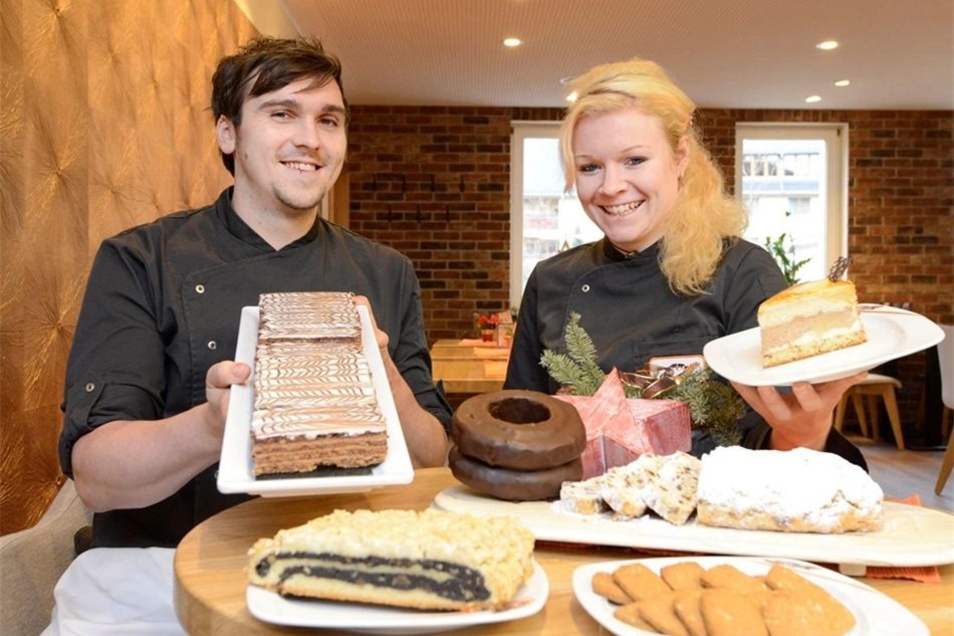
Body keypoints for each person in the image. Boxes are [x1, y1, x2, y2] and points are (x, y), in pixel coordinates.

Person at [46, 36, 450, 634]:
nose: (310, 139)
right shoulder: (142, 259)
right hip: (161, 573)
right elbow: (97, 478)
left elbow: (432, 456)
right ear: (227, 133)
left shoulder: (385, 271)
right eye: (281, 112)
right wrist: (213, 426)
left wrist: (381, 374)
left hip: (342, 566)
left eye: (329, 120)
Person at [504, 57, 866, 467]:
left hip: (709, 518)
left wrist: (805, 435)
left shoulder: (742, 271)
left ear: (680, 157)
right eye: (590, 167)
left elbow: (783, 449)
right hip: (576, 516)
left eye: (634, 160)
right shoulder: (552, 278)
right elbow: (522, 426)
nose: (610, 186)